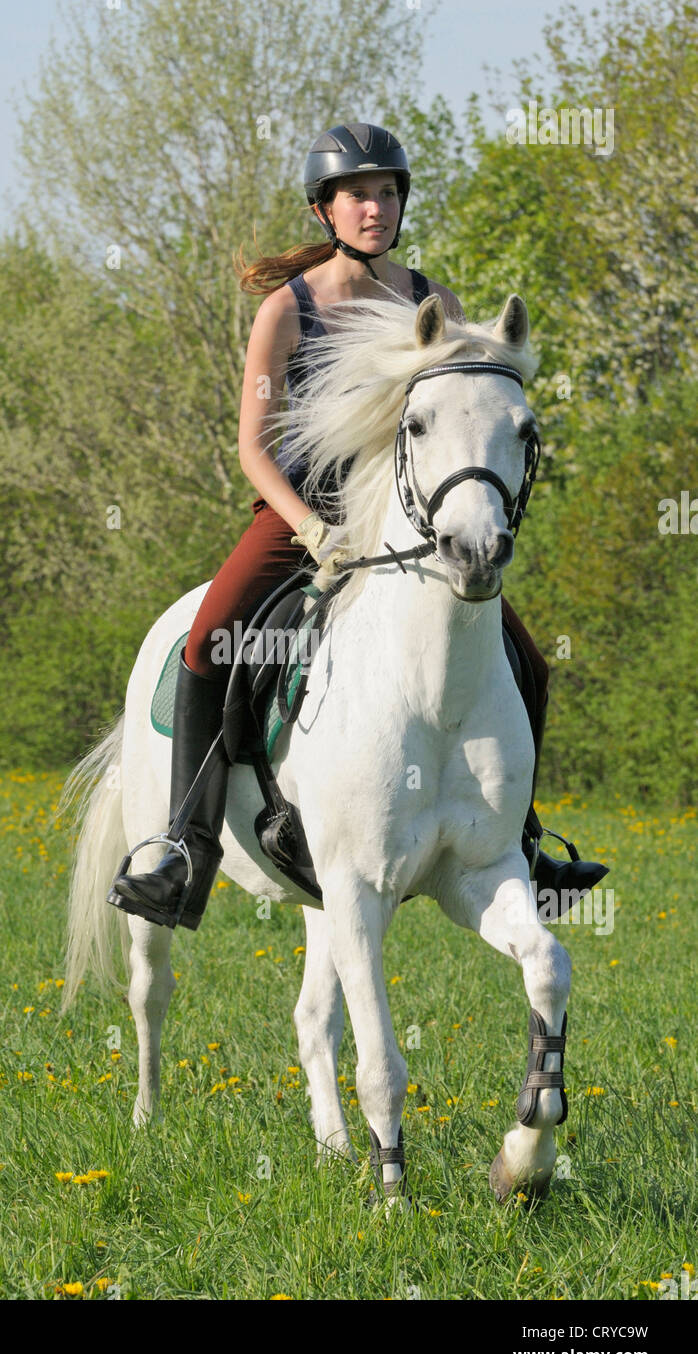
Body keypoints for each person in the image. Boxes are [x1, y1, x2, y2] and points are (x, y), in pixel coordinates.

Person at [107, 122, 607, 931]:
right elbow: (252, 448)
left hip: (405, 525)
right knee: (206, 647)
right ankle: (185, 847)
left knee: (529, 664)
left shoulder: (429, 301)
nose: (375, 209)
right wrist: (309, 528)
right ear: (325, 210)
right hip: (301, 520)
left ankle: (524, 838)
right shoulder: (288, 309)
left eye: (387, 193)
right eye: (357, 196)